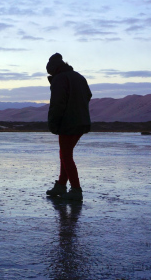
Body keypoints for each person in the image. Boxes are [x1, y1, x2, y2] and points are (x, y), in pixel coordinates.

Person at [45, 53, 92, 201]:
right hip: (81, 121)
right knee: (65, 154)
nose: (50, 73)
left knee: (66, 155)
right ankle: (61, 185)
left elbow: (57, 104)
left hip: (68, 122)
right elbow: (88, 95)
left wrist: (53, 123)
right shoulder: (79, 77)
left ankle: (76, 189)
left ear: (54, 68)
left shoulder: (60, 79)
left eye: (50, 71)